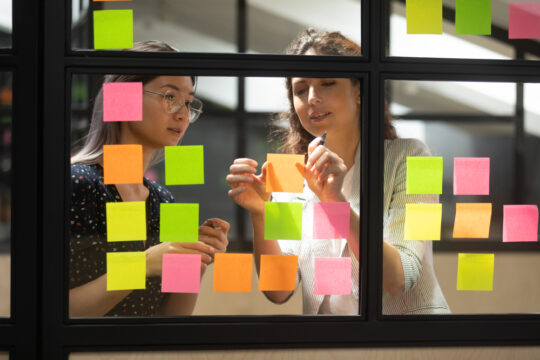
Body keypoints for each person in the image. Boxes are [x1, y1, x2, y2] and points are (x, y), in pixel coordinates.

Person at [226, 30, 450, 315]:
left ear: (359, 89)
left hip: (408, 346)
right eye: (300, 90)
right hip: (329, 346)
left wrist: (335, 202)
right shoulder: (291, 174)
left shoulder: (416, 157)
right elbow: (278, 290)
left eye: (327, 83)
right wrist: (260, 213)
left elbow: (399, 277)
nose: (312, 98)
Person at [69, 41, 230, 317]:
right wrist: (142, 264)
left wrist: (195, 259)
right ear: (122, 98)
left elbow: (171, 320)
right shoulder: (79, 183)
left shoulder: (164, 200)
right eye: (169, 97)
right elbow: (57, 313)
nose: (182, 114)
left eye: (189, 103)